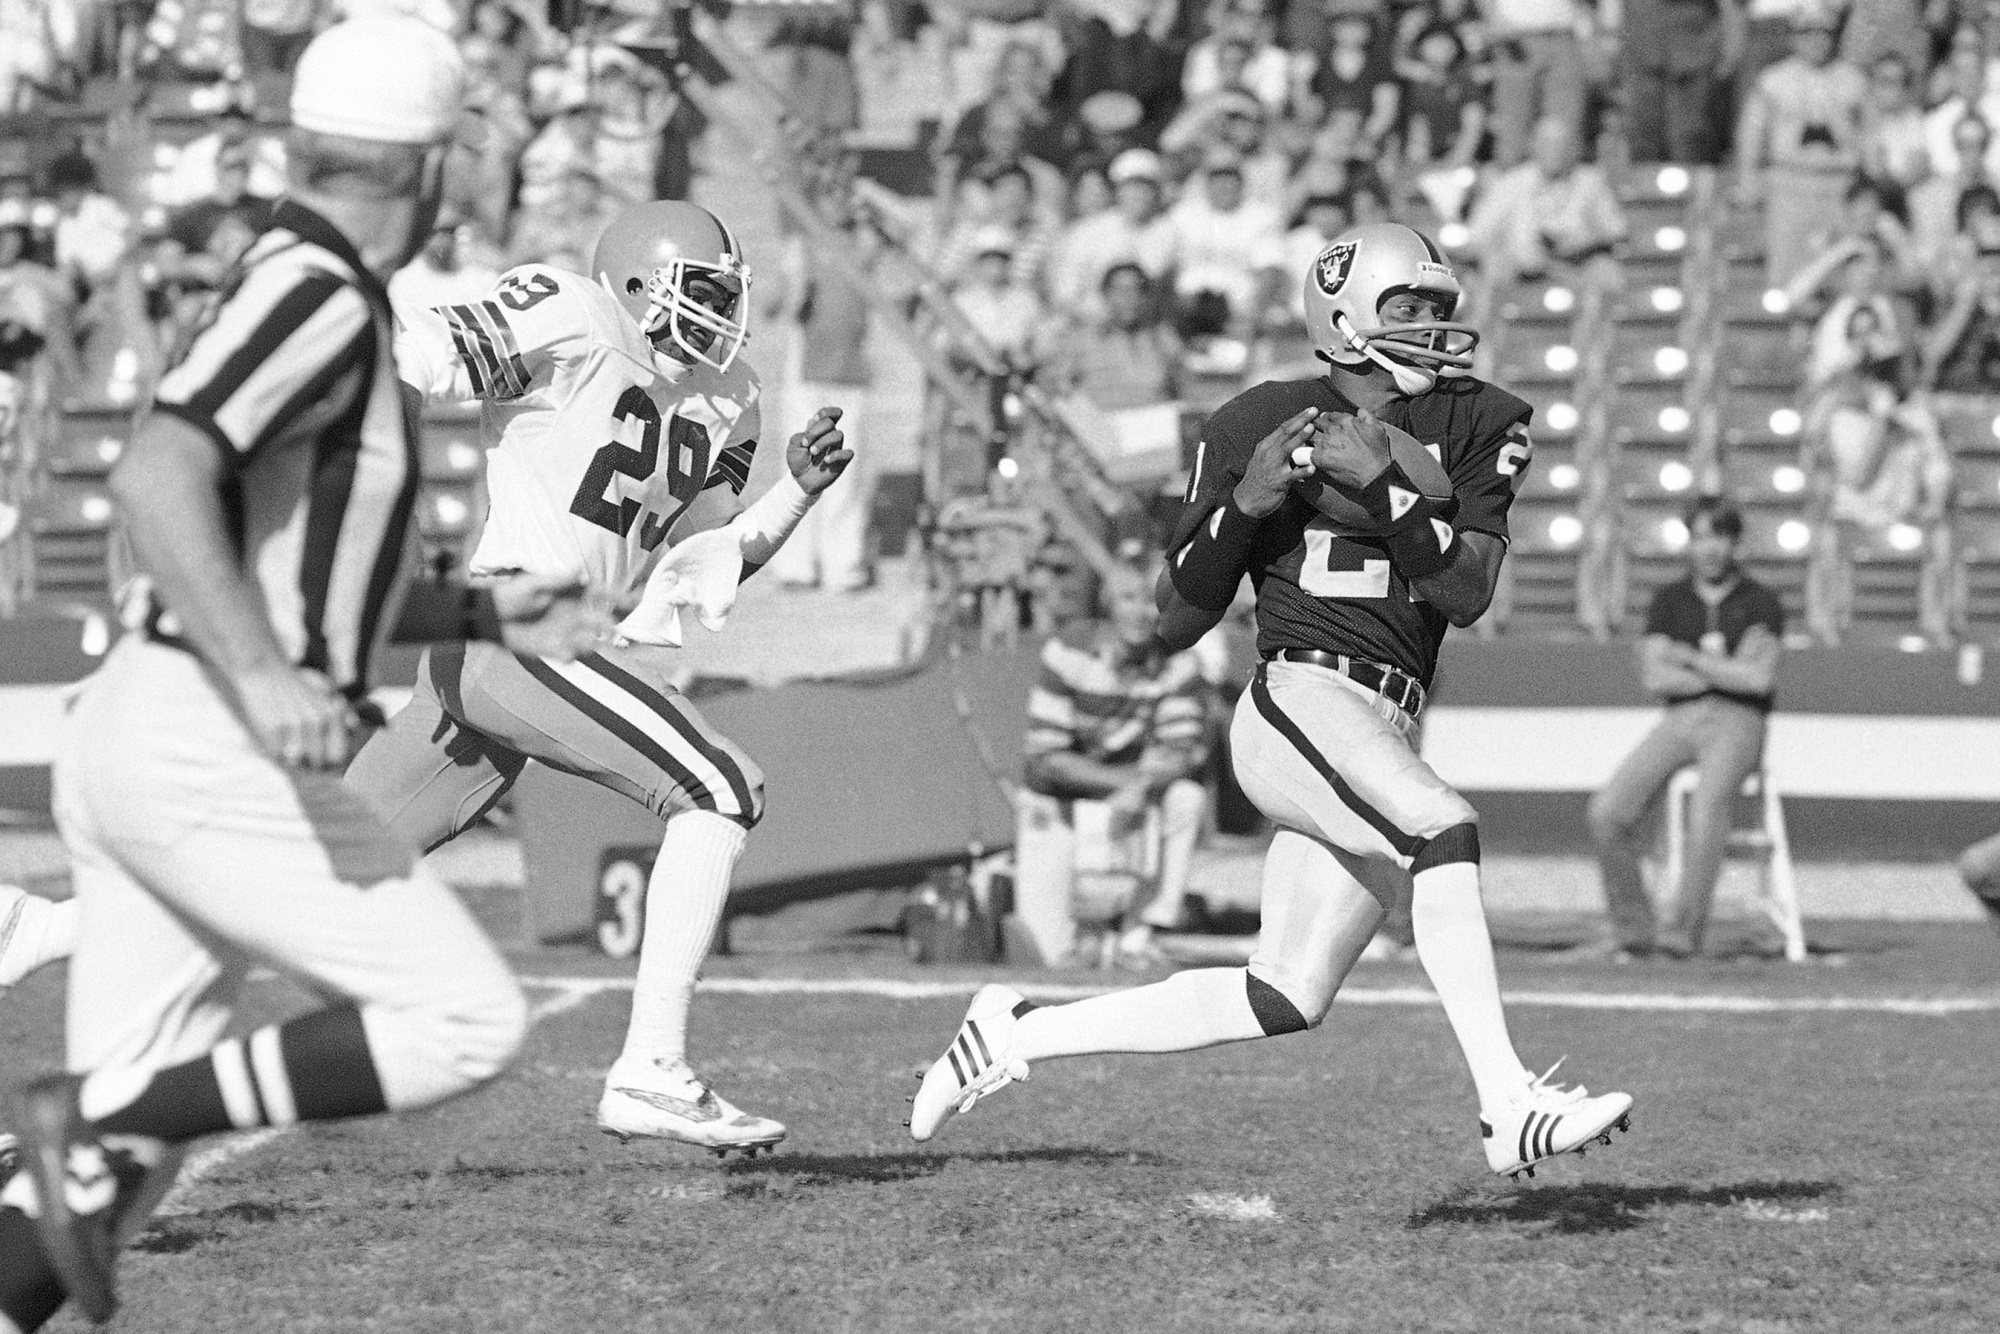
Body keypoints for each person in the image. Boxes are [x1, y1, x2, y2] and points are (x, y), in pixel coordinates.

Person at [0, 18, 612, 1329]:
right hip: (202, 736)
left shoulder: (304, 278)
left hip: (164, 732)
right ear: (432, 171)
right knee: (460, 1019)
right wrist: (266, 668)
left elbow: (286, 549)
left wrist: (486, 615)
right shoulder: (320, 289)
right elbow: (156, 473)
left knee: (107, 1188)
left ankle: (91, 1136)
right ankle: (91, 1109)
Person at [908, 223, 1635, 1181]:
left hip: (1388, 712)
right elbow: (1173, 620)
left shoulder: (1481, 419)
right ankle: (1508, 1102)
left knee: (1284, 992)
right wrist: (1245, 506)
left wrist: (1383, 495)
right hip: (1301, 693)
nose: (1433, 329)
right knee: (1440, 827)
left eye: (1438, 310)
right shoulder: (1260, 417)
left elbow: (1465, 592)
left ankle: (1014, 1031)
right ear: (1342, 321)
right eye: (1406, 310)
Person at [348, 199, 853, 1157]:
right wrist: (386, 506)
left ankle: (35, 932)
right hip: (515, 629)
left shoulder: (729, 393)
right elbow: (412, 358)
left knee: (309, 875)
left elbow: (709, 556)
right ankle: (650, 1069)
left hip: (522, 654)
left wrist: (796, 491)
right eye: (704, 291)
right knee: (718, 789)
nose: (722, 314)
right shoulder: (576, 313)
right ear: (638, 281)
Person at [1583, 497, 1784, 960]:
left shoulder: (1761, 601)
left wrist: (1689, 657)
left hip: (1740, 719)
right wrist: (1725, 666)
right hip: (1680, 717)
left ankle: (1681, 935)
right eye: (1700, 536)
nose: (1709, 548)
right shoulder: (1669, 600)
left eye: (1719, 536)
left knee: (1707, 811)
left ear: (1735, 543)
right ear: (1688, 542)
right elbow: (1654, 676)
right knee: (1608, 812)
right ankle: (1634, 930)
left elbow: (1759, 678)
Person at [1012, 558, 1212, 967]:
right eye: (1127, 598)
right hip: (1061, 804)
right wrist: (1124, 782)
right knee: (1049, 953)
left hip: (1133, 803)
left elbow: (1181, 750)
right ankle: (1086, 935)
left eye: (1152, 600)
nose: (1140, 612)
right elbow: (1047, 758)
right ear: (1107, 604)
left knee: (1186, 798)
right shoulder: (1068, 651)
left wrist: (1138, 785)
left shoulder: (1180, 662)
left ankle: (1140, 934)